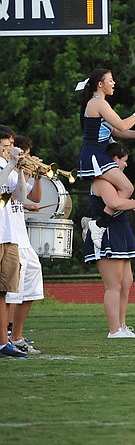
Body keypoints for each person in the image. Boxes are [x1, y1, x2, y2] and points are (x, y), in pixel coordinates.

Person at [76, 69, 135, 249]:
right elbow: (123, 124)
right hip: (94, 155)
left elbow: (118, 131)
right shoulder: (97, 103)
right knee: (127, 187)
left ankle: (98, 223)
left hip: (100, 155)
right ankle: (99, 224)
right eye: (110, 80)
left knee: (126, 187)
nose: (114, 83)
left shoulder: (101, 105)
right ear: (100, 85)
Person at [84, 142, 135, 338]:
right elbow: (113, 203)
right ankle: (114, 330)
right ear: (114, 160)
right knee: (114, 285)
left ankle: (122, 326)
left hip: (120, 229)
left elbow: (119, 201)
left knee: (126, 281)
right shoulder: (101, 181)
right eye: (124, 161)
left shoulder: (116, 183)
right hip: (107, 232)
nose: (126, 165)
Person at [3, 133, 45, 355]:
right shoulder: (6, 169)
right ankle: (8, 335)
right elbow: (9, 195)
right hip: (10, 238)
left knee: (31, 289)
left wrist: (36, 175)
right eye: (25, 154)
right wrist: (20, 168)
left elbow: (33, 198)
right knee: (10, 293)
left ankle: (16, 336)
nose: (27, 158)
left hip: (23, 239)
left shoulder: (16, 172)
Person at [0, 128, 29, 358]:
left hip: (9, 235)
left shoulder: (7, 167)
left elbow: (20, 196)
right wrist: (11, 164)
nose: (10, 147)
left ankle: (3, 343)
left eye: (11, 143)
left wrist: (19, 169)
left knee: (3, 293)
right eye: (6, 143)